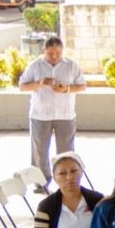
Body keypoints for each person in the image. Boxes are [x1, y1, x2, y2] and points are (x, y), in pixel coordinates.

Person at [19, 37, 86, 191]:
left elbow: (82, 86)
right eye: (50, 54)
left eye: (58, 53)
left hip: (65, 115)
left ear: (62, 51)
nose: (54, 57)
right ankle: (41, 183)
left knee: (66, 151)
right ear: (44, 51)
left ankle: (67, 182)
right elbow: (22, 86)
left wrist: (66, 89)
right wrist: (40, 83)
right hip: (40, 115)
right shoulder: (35, 65)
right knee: (40, 151)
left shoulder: (71, 65)